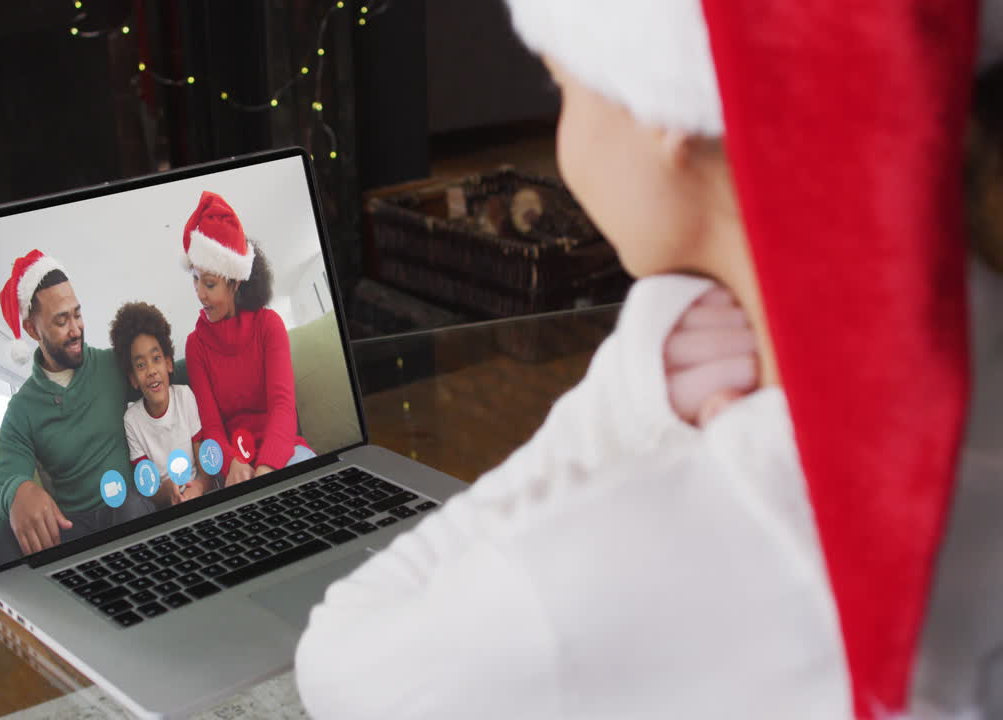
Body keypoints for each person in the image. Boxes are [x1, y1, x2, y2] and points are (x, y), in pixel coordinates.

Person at [295, 1, 1003, 718]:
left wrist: (624, 407)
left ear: (667, 116)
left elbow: (338, 666)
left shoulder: (591, 576)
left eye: (561, 87)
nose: (563, 139)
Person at [0, 250, 152, 565]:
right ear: (33, 330)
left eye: (77, 314)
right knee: (8, 537)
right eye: (62, 321)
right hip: (73, 527)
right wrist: (16, 493)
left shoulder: (111, 364)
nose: (76, 329)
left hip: (127, 510)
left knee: (130, 504)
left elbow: (174, 374)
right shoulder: (21, 410)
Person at [179, 191, 314, 488]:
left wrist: (266, 468)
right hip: (234, 467)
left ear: (236, 282)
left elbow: (283, 407)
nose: (199, 293)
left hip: (281, 453)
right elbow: (212, 428)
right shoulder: (196, 345)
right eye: (195, 279)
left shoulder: (269, 326)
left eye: (210, 284)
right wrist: (233, 465)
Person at [109, 301, 214, 506]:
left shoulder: (185, 397)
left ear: (168, 363)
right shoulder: (132, 420)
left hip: (198, 491)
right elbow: (149, 490)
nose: (151, 371)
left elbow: (205, 464)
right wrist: (167, 492)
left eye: (156, 359)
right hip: (166, 503)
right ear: (133, 379)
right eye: (141, 365)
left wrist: (200, 487)